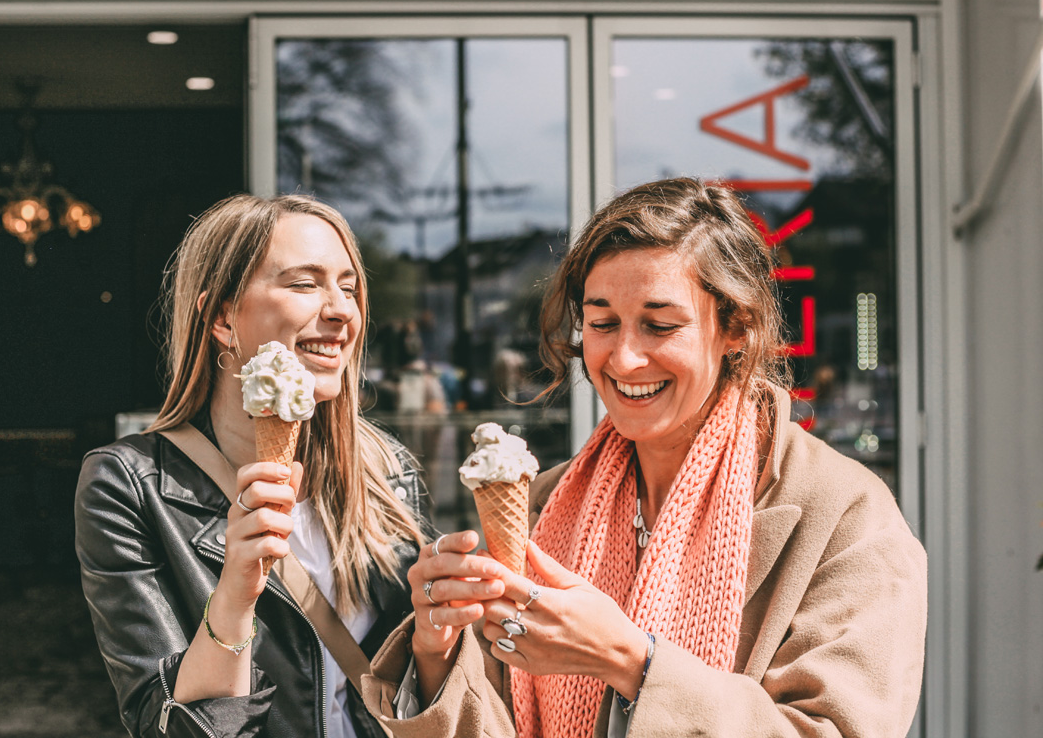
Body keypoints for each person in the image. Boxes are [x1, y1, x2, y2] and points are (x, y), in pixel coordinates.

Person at [360, 178, 928, 738]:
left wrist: (633, 662)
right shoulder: (545, 503)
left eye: (660, 325)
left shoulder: (847, 515)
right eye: (602, 323)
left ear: (736, 327)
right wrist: (435, 655)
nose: (624, 359)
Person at [75, 193, 432, 738]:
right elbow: (162, 725)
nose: (341, 311)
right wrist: (236, 593)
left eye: (349, 286)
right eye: (305, 283)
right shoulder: (129, 486)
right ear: (221, 317)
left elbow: (418, 692)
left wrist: (440, 630)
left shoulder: (386, 471)